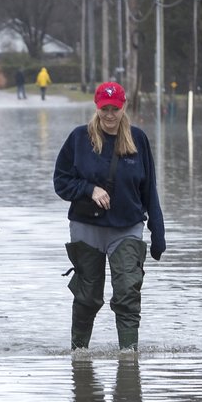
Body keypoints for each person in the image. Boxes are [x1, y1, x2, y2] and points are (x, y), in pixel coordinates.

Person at [52, 82, 165, 350]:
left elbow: (149, 189)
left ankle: (129, 355)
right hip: (86, 227)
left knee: (127, 291)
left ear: (124, 106)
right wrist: (89, 189)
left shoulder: (138, 139)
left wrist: (158, 233)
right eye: (105, 108)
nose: (110, 114)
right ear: (97, 107)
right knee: (87, 296)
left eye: (115, 108)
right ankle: (79, 354)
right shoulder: (79, 138)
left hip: (127, 227)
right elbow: (61, 181)